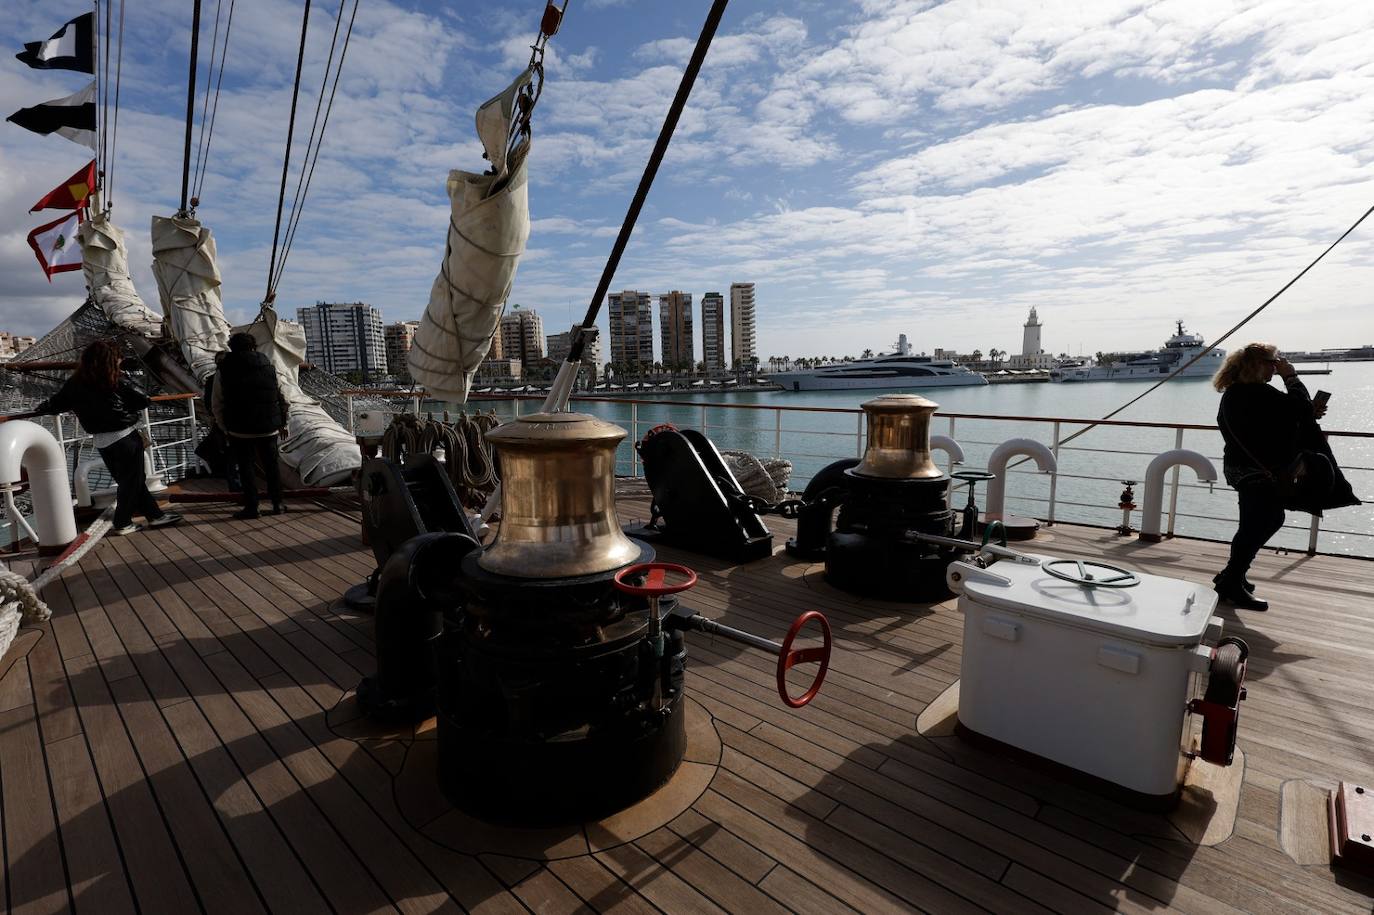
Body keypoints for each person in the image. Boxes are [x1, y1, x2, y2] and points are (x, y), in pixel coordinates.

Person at [29, 340, 183, 536]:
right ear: (111, 360)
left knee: (132, 481)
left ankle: (155, 516)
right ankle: (122, 522)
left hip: (103, 442)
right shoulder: (114, 380)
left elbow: (56, 404)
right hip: (124, 437)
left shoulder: (75, 382)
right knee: (132, 482)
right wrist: (132, 413)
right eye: (117, 358)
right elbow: (142, 400)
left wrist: (43, 407)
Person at [1213, 343, 1324, 610]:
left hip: (1241, 467)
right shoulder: (1257, 392)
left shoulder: (1236, 393)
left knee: (1254, 524)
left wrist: (1306, 412)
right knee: (1267, 520)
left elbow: (1281, 417)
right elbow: (1296, 408)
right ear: (1258, 364)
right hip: (1257, 470)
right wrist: (1291, 376)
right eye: (1273, 362)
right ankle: (1232, 579)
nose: (1277, 366)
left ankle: (1232, 576)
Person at [213, 332, 289, 519]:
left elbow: (217, 403)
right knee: (272, 467)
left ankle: (252, 507)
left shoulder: (223, 370)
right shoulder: (269, 367)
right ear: (254, 346)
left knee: (246, 469)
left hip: (239, 430)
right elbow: (283, 398)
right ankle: (278, 503)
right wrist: (282, 422)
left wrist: (225, 428)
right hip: (268, 427)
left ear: (231, 347)